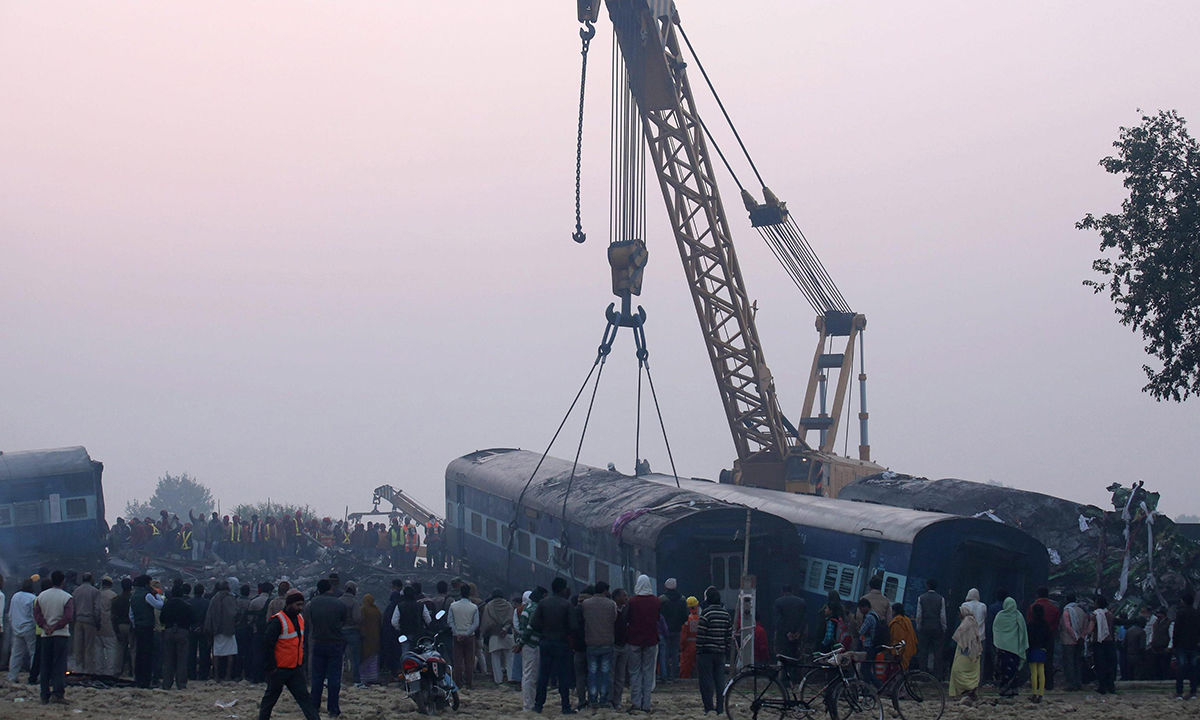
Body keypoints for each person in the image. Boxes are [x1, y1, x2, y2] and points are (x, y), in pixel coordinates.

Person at [259, 589, 320, 720]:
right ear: (289, 604)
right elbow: (267, 644)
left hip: (296, 668)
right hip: (280, 669)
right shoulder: (277, 621)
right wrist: (271, 667)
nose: (300, 608)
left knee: (305, 700)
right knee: (269, 700)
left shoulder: (300, 618)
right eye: (297, 605)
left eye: (301, 605)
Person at [531, 577, 577, 714]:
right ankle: (565, 706)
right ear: (563, 589)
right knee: (562, 676)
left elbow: (533, 623)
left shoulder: (543, 603)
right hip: (561, 643)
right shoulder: (567, 605)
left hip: (545, 642)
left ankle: (538, 705)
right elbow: (574, 626)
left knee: (543, 675)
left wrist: (543, 631)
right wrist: (565, 633)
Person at [307, 578, 352, 717]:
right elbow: (345, 621)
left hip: (318, 642)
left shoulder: (311, 603)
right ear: (331, 588)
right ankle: (333, 709)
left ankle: (314, 707)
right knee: (334, 678)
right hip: (335, 643)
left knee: (317, 677)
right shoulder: (340, 604)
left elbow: (310, 621)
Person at [33, 570, 74, 705]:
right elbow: (68, 616)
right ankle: (57, 693)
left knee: (45, 665)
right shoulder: (66, 597)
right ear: (63, 581)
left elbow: (37, 614)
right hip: (60, 635)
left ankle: (44, 694)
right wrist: (56, 626)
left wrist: (45, 626)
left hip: (46, 635)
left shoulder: (41, 597)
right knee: (59, 665)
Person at [625, 575, 661, 712]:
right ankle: (646, 704)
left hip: (634, 640)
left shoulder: (632, 601)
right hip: (651, 640)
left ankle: (636, 702)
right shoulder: (656, 601)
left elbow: (625, 618)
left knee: (634, 672)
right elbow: (657, 618)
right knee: (648, 673)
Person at [696, 587, 732, 715]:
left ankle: (709, 708)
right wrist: (725, 649)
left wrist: (699, 649)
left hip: (706, 653)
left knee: (706, 683)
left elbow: (701, 635)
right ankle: (721, 708)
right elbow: (729, 636)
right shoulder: (726, 615)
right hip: (720, 653)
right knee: (720, 682)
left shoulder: (706, 614)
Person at [582, 581, 617, 708]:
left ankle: (592, 698)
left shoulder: (586, 604)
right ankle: (603, 699)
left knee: (592, 672)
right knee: (605, 672)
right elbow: (614, 618)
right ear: (605, 591)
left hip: (591, 642)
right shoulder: (611, 604)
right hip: (607, 642)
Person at [514, 587, 545, 712]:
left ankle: (528, 703)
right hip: (531, 644)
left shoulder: (526, 608)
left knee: (528, 675)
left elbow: (522, 629)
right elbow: (529, 629)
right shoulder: (535, 609)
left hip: (526, 645)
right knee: (529, 676)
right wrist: (521, 643)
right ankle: (528, 705)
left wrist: (519, 643)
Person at [130, 574, 163, 688]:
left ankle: (138, 679)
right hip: (147, 627)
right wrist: (156, 594)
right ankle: (146, 680)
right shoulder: (147, 595)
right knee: (147, 655)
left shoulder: (134, 596)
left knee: (139, 654)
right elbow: (159, 605)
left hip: (138, 626)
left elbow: (131, 615)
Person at [991, 597, 1028, 697]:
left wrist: (1000, 642)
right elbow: (1023, 631)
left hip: (1003, 649)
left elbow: (996, 630)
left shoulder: (1000, 616)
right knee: (1013, 670)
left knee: (1005, 670)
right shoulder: (1018, 616)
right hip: (1015, 649)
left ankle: (1004, 689)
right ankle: (1012, 689)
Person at [448, 584, 481, 691]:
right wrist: (466, 633)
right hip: (469, 636)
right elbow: (475, 623)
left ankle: (458, 683)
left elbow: (450, 621)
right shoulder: (474, 607)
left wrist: (456, 632)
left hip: (456, 636)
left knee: (457, 661)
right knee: (469, 661)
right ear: (469, 593)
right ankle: (469, 684)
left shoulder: (453, 606)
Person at [481, 588, 516, 685]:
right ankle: (510, 678)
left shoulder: (489, 605)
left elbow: (486, 622)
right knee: (509, 658)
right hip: (507, 634)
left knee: (495, 659)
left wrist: (483, 633)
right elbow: (511, 618)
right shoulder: (508, 605)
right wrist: (505, 628)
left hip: (494, 635)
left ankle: (498, 680)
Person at [1027, 587, 1060, 691]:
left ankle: (1035, 684)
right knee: (1048, 662)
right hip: (1048, 639)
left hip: (1034, 641)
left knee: (1034, 664)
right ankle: (1049, 684)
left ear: (1037, 595)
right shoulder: (1054, 608)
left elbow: (1028, 621)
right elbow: (1056, 624)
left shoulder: (1032, 607)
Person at [160, 585, 193, 689]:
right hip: (183, 632)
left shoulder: (167, 605)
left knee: (168, 660)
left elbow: (162, 619)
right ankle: (181, 684)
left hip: (169, 632)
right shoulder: (187, 606)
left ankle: (166, 684)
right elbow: (193, 619)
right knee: (182, 660)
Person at [205, 580, 239, 681]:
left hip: (217, 629)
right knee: (230, 654)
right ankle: (228, 675)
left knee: (216, 653)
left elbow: (210, 614)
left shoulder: (215, 598)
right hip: (229, 630)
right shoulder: (231, 598)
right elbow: (234, 613)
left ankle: (216, 675)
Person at [948, 605, 982, 701]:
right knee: (969, 672)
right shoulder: (972, 620)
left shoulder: (967, 621)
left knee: (957, 671)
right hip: (972, 650)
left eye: (960, 613)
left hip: (966, 650)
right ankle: (969, 690)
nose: (959, 615)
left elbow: (959, 634)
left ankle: (968, 689)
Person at [915, 579, 947, 680]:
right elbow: (942, 615)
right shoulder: (941, 599)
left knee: (923, 651)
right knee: (938, 652)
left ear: (927, 586)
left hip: (925, 627)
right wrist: (943, 627)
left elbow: (919, 615)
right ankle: (937, 676)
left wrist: (919, 627)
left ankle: (923, 675)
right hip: (937, 627)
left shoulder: (921, 598)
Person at [9, 577, 38, 683]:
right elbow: (34, 615)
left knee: (16, 654)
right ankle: (33, 676)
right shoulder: (32, 598)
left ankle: (12, 676)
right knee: (33, 653)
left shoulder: (15, 596)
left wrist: (13, 625)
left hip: (16, 628)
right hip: (29, 628)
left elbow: (11, 612)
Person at [659, 578, 688, 682]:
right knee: (676, 653)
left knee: (665, 654)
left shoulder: (662, 599)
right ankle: (675, 676)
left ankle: (665, 675)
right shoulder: (682, 599)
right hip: (677, 629)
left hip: (665, 631)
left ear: (666, 587)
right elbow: (685, 616)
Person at [1172, 591, 1200, 700]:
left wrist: (1174, 645)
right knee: (1194, 669)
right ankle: (1193, 692)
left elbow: (1176, 630)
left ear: (1184, 602)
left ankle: (1179, 692)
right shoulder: (1197, 613)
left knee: (1181, 669)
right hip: (1194, 644)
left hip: (1182, 645)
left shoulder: (1180, 614)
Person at [772, 584, 807, 669]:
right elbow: (804, 619)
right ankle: (794, 679)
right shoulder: (802, 602)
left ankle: (784, 680)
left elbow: (779, 621)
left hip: (783, 638)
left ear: (782, 591)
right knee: (795, 659)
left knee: (783, 659)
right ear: (792, 591)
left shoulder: (778, 602)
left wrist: (787, 633)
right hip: (797, 638)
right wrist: (798, 632)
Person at [1089, 595, 1117, 694]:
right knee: (1109, 664)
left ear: (1097, 604)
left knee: (1100, 664)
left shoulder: (1095, 615)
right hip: (1109, 641)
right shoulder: (1110, 615)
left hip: (1098, 642)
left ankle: (1102, 686)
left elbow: (1090, 629)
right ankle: (1111, 685)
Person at [856, 597, 886, 686]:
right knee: (867, 668)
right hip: (874, 646)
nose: (861, 611)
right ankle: (876, 686)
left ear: (865, 607)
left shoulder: (869, 617)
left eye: (861, 609)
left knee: (864, 669)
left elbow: (861, 631)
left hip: (869, 646)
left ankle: (869, 687)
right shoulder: (875, 615)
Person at [1059, 593, 1086, 690]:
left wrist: (1075, 637)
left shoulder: (1066, 611)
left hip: (1068, 641)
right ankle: (1079, 683)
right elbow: (1085, 626)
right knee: (1077, 662)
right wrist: (1081, 637)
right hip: (1080, 641)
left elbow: (1067, 627)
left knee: (1069, 663)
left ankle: (1071, 684)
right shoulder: (1081, 611)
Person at [249, 582, 274, 684]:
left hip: (257, 631)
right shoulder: (272, 602)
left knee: (257, 654)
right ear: (270, 591)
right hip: (269, 632)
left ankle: (256, 676)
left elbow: (250, 619)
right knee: (268, 655)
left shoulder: (253, 602)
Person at [1027, 603, 1051, 703]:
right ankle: (1041, 693)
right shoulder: (1045, 623)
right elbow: (1048, 637)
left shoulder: (1030, 624)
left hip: (1033, 649)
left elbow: (1028, 637)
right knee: (1041, 671)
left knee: (1033, 672)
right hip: (1042, 649)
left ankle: (1034, 693)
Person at [188, 583, 212, 681]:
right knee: (204, 653)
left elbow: (187, 617)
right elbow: (208, 617)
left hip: (191, 629)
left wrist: (192, 627)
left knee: (191, 653)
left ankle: (191, 674)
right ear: (203, 592)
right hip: (203, 630)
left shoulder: (189, 602)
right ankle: (203, 675)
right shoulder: (207, 603)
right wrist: (201, 626)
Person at [111, 577, 133, 678]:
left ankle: (117, 671)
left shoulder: (116, 600)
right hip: (131, 626)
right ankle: (133, 672)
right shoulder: (133, 599)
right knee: (133, 650)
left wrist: (116, 631)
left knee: (120, 650)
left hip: (120, 626)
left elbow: (113, 617)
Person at [359, 594, 382, 684]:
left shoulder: (362, 610)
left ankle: (364, 677)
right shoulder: (376, 610)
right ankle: (373, 676)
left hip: (366, 637)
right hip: (375, 636)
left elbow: (361, 622)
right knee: (374, 657)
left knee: (365, 656)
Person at [235, 583, 255, 681]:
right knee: (248, 653)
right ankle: (247, 674)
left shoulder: (236, 601)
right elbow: (250, 618)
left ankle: (237, 674)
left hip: (237, 629)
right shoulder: (250, 602)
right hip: (247, 629)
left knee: (238, 651)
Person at [889, 603, 918, 670]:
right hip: (910, 647)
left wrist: (895, 653)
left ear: (895, 611)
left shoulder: (897, 622)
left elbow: (897, 638)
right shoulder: (906, 620)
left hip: (902, 650)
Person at [679, 596, 700, 679]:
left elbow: (683, 638)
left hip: (688, 648)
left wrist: (682, 648)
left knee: (685, 669)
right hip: (699, 647)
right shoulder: (701, 619)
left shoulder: (686, 621)